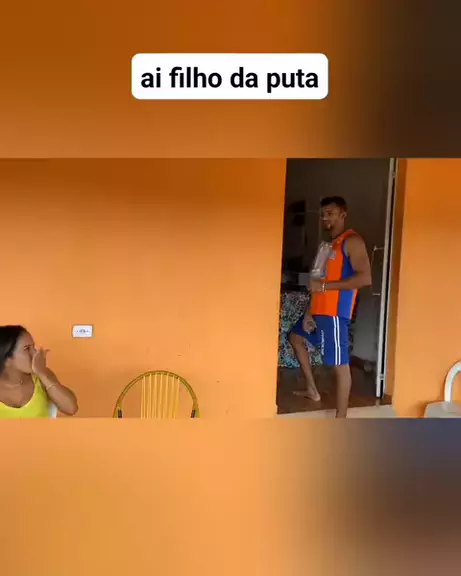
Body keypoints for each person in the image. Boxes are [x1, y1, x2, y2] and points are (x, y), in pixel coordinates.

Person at [288, 196, 371, 418]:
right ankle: (312, 390)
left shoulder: (352, 241)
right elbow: (317, 282)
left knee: (339, 365)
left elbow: (364, 278)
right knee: (295, 337)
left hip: (334, 313)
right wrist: (309, 311)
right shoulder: (327, 245)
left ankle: (340, 420)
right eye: (323, 214)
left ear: (343, 215)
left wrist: (325, 286)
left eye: (330, 213)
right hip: (318, 310)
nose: (325, 218)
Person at [0, 326, 78, 418]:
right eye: (27, 349)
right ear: (7, 359)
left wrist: (42, 373)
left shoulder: (42, 376)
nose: (35, 353)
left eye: (33, 347)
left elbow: (71, 409)